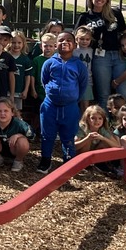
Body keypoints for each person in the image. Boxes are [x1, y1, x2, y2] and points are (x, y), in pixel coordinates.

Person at [38, 31, 88, 174]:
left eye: (68, 40)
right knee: (47, 134)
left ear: (74, 44)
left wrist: (71, 98)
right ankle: (45, 160)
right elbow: (44, 80)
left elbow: (82, 85)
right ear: (55, 45)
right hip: (50, 106)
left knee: (68, 135)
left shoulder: (79, 65)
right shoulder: (49, 63)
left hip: (70, 107)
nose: (64, 42)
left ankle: (68, 162)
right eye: (61, 40)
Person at [75, 0, 126, 107]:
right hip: (100, 57)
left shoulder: (115, 13)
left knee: (123, 92)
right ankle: (105, 124)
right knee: (104, 93)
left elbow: (124, 34)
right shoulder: (85, 16)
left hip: (118, 55)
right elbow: (77, 36)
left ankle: (123, 121)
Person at [0, 97, 32, 171]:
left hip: (13, 149)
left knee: (23, 142)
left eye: (6, 111)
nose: (2, 114)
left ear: (12, 112)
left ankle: (18, 161)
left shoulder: (19, 124)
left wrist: (17, 136)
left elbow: (31, 135)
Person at [73, 27, 94, 111]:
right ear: (76, 39)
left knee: (85, 106)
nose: (84, 41)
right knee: (74, 104)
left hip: (87, 81)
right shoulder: (73, 51)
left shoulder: (92, 50)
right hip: (75, 81)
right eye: (82, 39)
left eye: (87, 39)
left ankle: (84, 122)